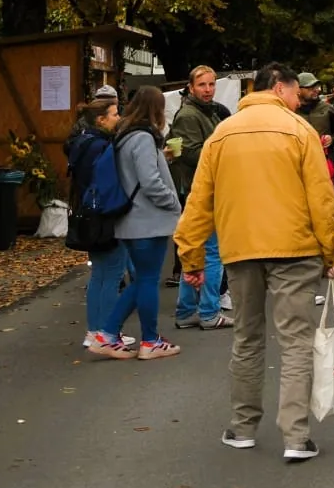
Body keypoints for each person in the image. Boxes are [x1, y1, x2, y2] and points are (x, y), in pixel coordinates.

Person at [175, 63, 334, 463]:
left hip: (241, 248)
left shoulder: (222, 133)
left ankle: (242, 426)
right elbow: (321, 199)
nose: (298, 99)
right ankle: (296, 436)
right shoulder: (299, 131)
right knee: (295, 342)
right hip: (294, 249)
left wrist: (191, 255)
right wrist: (332, 252)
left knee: (247, 338)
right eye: (295, 92)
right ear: (282, 89)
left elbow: (200, 201)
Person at [87, 87, 184, 361]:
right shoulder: (142, 137)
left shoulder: (125, 135)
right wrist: (173, 202)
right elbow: (150, 181)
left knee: (141, 280)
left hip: (132, 220)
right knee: (148, 281)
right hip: (147, 220)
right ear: (154, 109)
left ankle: (107, 334)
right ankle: (150, 340)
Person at [68, 98, 134, 350]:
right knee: (113, 273)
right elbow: (109, 182)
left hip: (88, 214)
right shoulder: (102, 146)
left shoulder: (81, 143)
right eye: (114, 114)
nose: (118, 118)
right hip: (105, 215)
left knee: (99, 274)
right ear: (101, 119)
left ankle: (93, 330)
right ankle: (106, 332)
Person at [170, 65, 232, 319]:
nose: (208, 90)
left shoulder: (209, 111)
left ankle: (186, 312)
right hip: (201, 189)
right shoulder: (189, 115)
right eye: (202, 85)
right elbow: (192, 153)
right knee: (213, 252)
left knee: (199, 251)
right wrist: (225, 149)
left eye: (211, 84)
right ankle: (208, 311)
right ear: (191, 87)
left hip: (205, 188)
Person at [295, 73, 334, 177]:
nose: (316, 89)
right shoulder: (290, 110)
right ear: (298, 90)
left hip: (324, 164)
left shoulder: (327, 108)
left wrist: (332, 139)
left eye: (316, 86)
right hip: (298, 167)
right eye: (310, 87)